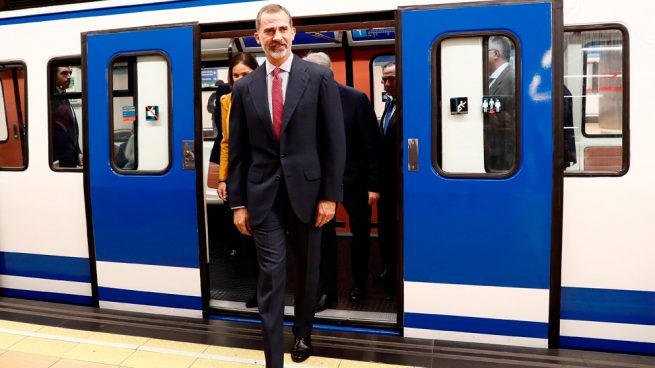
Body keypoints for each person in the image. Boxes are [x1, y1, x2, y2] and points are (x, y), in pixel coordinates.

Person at [227, 5, 345, 367]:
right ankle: (272, 360)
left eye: (282, 29)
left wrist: (330, 196)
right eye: (268, 31)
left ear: (293, 32)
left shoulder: (318, 78)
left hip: (310, 196)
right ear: (257, 36)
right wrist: (237, 203)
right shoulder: (245, 88)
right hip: (263, 197)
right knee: (272, 277)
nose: (276, 37)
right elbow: (239, 151)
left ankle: (303, 334)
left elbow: (334, 142)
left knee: (308, 273)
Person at [303, 52, 381, 310]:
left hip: (355, 180)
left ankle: (359, 282)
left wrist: (373, 185)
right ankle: (328, 290)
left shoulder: (355, 99)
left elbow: (372, 146)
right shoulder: (303, 101)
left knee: (360, 234)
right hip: (318, 183)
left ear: (326, 74)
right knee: (323, 238)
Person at [216, 52, 260, 308]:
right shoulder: (226, 101)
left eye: (246, 74)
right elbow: (226, 142)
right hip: (241, 175)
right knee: (247, 235)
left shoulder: (266, 96)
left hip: (266, 175)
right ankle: (257, 289)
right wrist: (224, 178)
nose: (241, 80)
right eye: (236, 75)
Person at [377, 61, 399, 288]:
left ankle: (396, 273)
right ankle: (388, 268)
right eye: (384, 79)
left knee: (396, 229)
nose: (385, 84)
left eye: (390, 79)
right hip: (385, 182)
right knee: (385, 228)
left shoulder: (408, 106)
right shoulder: (389, 106)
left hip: (399, 182)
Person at [485, 36, 516, 172]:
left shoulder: (512, 78)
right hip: (492, 146)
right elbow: (491, 109)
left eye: (485, 51)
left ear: (496, 54)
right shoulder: (490, 79)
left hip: (504, 148)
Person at [52, 66, 82, 168]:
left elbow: (71, 129)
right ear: (54, 77)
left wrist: (78, 151)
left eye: (70, 73)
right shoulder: (51, 98)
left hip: (70, 157)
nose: (69, 76)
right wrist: (53, 159)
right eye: (64, 73)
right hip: (59, 161)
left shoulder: (63, 96)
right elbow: (48, 132)